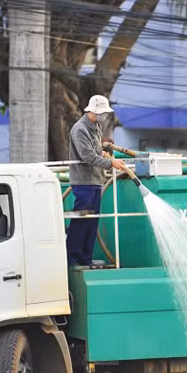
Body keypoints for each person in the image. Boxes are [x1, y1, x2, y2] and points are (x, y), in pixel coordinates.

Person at [66, 94, 127, 267]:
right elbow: (87, 156)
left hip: (95, 181)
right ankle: (72, 260)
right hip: (83, 182)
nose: (103, 115)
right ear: (92, 111)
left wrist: (104, 153)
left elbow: (95, 150)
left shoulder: (96, 126)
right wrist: (111, 162)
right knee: (81, 222)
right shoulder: (79, 129)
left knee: (92, 222)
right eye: (101, 112)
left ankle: (86, 258)